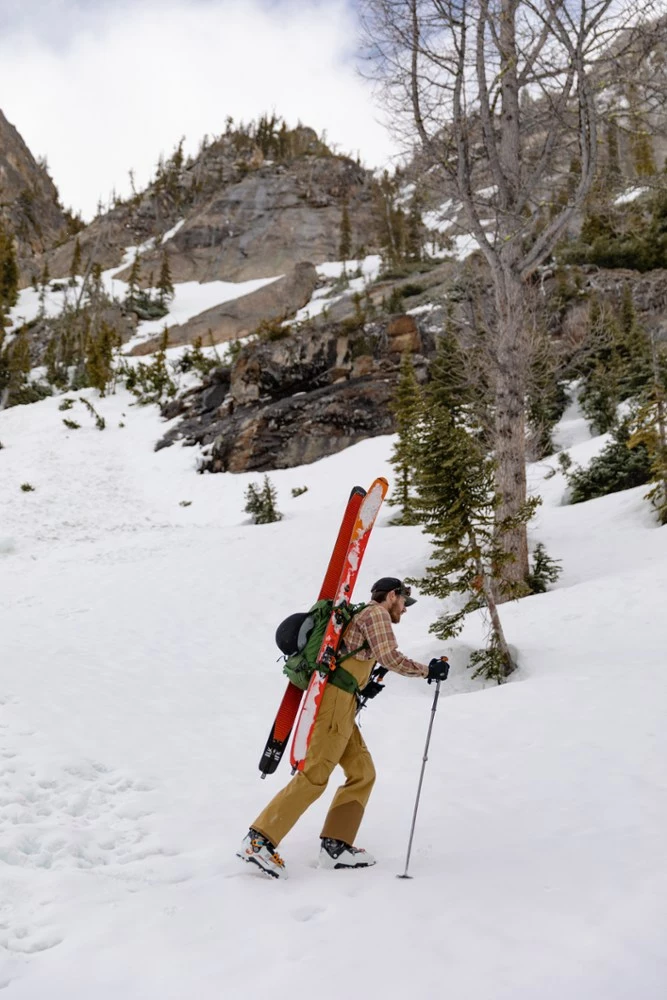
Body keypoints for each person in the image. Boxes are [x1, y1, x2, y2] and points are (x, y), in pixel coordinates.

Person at [237, 576, 450, 878]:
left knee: (363, 773)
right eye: (404, 601)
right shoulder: (376, 613)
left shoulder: (365, 615)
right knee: (315, 775)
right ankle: (258, 841)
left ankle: (336, 846)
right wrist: (429, 670)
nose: (405, 608)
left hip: (344, 702)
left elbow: (365, 659)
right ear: (392, 596)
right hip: (336, 703)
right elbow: (390, 657)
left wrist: (362, 687)